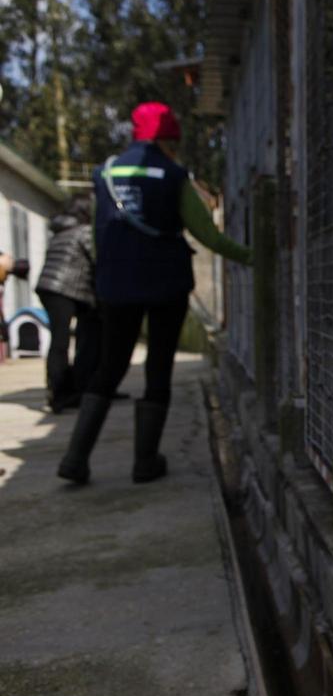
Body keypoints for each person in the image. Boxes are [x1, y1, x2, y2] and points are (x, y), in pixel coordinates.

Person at [58, 102, 252, 484]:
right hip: (166, 283)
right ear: (168, 140)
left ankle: (75, 459)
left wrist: (105, 277)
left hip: (116, 285)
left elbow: (99, 236)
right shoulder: (173, 174)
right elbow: (206, 234)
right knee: (158, 366)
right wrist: (251, 256)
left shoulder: (106, 173)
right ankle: (145, 464)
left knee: (110, 366)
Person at [36, 195, 102, 412]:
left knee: (62, 338)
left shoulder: (60, 231)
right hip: (65, 289)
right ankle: (64, 393)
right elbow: (98, 259)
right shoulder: (84, 232)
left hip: (49, 287)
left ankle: (64, 389)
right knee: (68, 340)